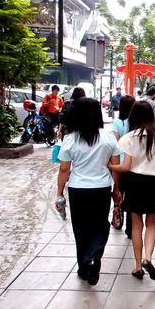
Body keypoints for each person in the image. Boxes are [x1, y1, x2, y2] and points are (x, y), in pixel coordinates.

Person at [56, 97, 121, 286]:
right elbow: (114, 167)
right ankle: (93, 258)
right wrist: (117, 189)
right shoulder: (108, 138)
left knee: (81, 229)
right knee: (100, 226)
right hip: (101, 189)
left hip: (77, 190)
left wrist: (60, 193)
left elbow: (64, 169)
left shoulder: (70, 139)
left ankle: (84, 267)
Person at [108, 101, 155, 280]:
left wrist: (110, 166)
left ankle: (138, 267)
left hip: (134, 183)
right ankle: (148, 258)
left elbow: (126, 166)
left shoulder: (130, 138)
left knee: (137, 226)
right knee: (151, 224)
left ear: (134, 116)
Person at [111, 95, 135, 239]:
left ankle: (118, 220)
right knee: (132, 196)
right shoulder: (136, 122)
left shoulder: (117, 122)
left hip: (120, 163)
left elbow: (116, 142)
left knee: (119, 191)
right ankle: (130, 228)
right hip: (133, 164)